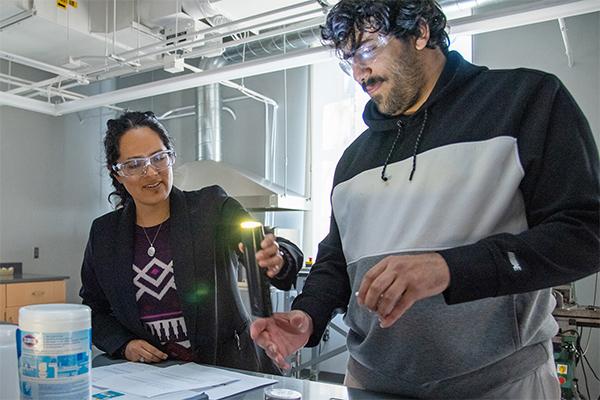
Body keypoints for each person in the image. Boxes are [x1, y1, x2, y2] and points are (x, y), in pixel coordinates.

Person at [250, 0, 600, 397]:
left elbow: (585, 234)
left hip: (499, 385)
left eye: (367, 49)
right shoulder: (354, 158)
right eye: (348, 59)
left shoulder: (524, 101)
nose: (358, 72)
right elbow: (335, 261)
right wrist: (307, 316)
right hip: (371, 384)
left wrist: (448, 268)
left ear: (420, 32)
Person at [80, 111, 302, 374]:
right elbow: (94, 310)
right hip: (153, 379)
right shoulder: (104, 233)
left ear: (170, 157)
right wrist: (123, 344)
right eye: (134, 164)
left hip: (227, 369)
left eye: (158, 158)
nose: (150, 172)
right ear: (117, 174)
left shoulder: (212, 207)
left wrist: (277, 256)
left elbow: (265, 242)